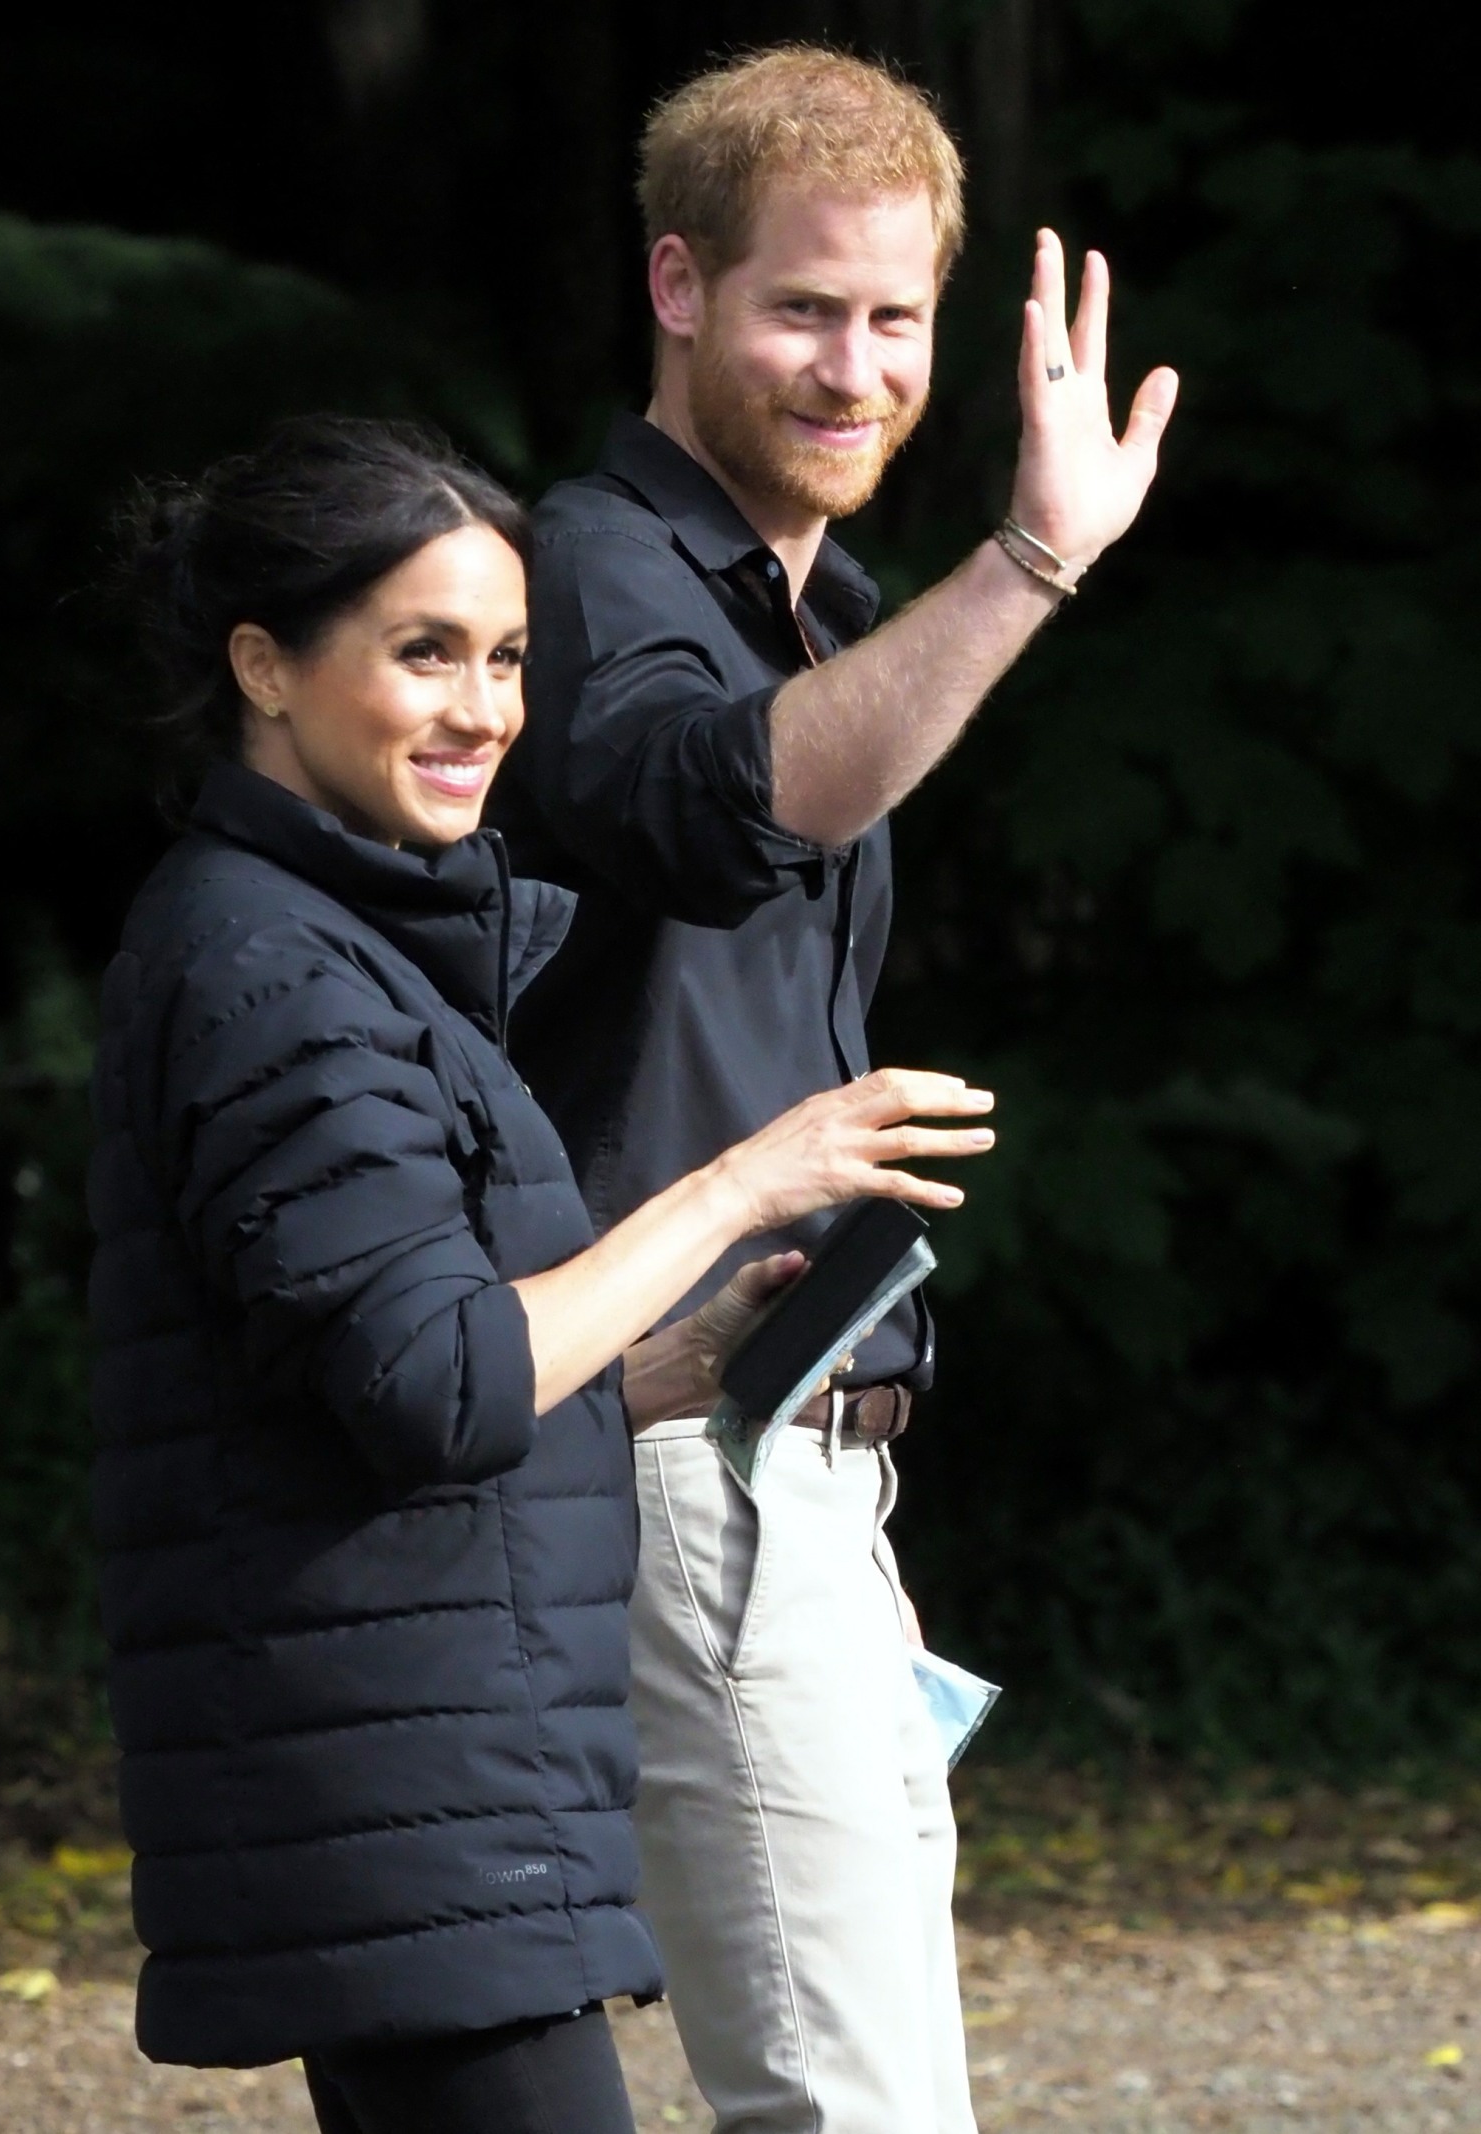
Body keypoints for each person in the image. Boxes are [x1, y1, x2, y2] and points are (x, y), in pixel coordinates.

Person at [87, 413, 994, 2134]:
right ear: (264, 665)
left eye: (507, 656)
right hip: (403, 1792)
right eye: (423, 653)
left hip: (424, 1795)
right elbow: (442, 1386)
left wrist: (677, 1356)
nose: (485, 709)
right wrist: (741, 1179)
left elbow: (378, 1370)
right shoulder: (271, 964)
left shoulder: (354, 944)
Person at [489, 43, 1178, 2134]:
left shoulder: (821, 605)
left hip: (811, 1473)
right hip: (689, 1469)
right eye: (802, 307)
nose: (852, 365)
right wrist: (1032, 568)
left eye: (894, 319)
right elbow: (714, 813)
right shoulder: (599, 569)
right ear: (677, 287)